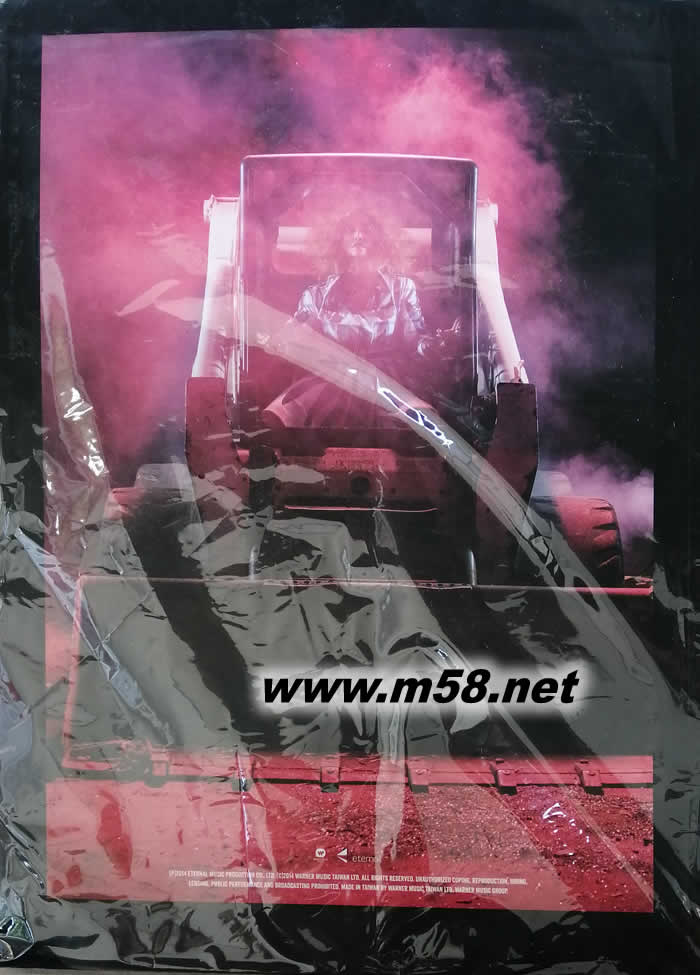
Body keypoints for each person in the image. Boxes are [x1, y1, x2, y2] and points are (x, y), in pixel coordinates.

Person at [262, 209, 460, 428]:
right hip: (334, 381)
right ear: (338, 241)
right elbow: (296, 338)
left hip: (390, 382)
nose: (358, 235)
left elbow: (416, 340)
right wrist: (278, 340)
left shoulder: (402, 288)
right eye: (350, 230)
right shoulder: (316, 296)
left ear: (380, 239)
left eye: (366, 229)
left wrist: (434, 345)